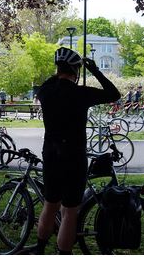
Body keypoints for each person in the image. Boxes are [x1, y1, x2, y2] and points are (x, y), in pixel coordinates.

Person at [29, 47, 119, 255]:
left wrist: (64, 68)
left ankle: (40, 249)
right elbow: (113, 94)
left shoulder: (45, 92)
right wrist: (94, 70)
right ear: (76, 71)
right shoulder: (82, 94)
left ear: (58, 68)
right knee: (70, 211)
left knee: (50, 205)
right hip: (74, 155)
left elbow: (53, 81)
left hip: (51, 153)